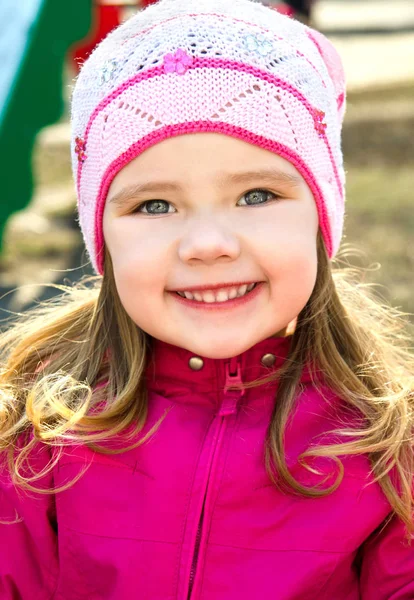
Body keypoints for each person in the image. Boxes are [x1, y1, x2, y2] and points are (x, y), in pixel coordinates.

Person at [1, 0, 413, 598]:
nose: (208, 244)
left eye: (256, 195)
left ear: (321, 217)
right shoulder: (34, 435)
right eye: (154, 206)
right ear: (102, 238)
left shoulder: (385, 444)